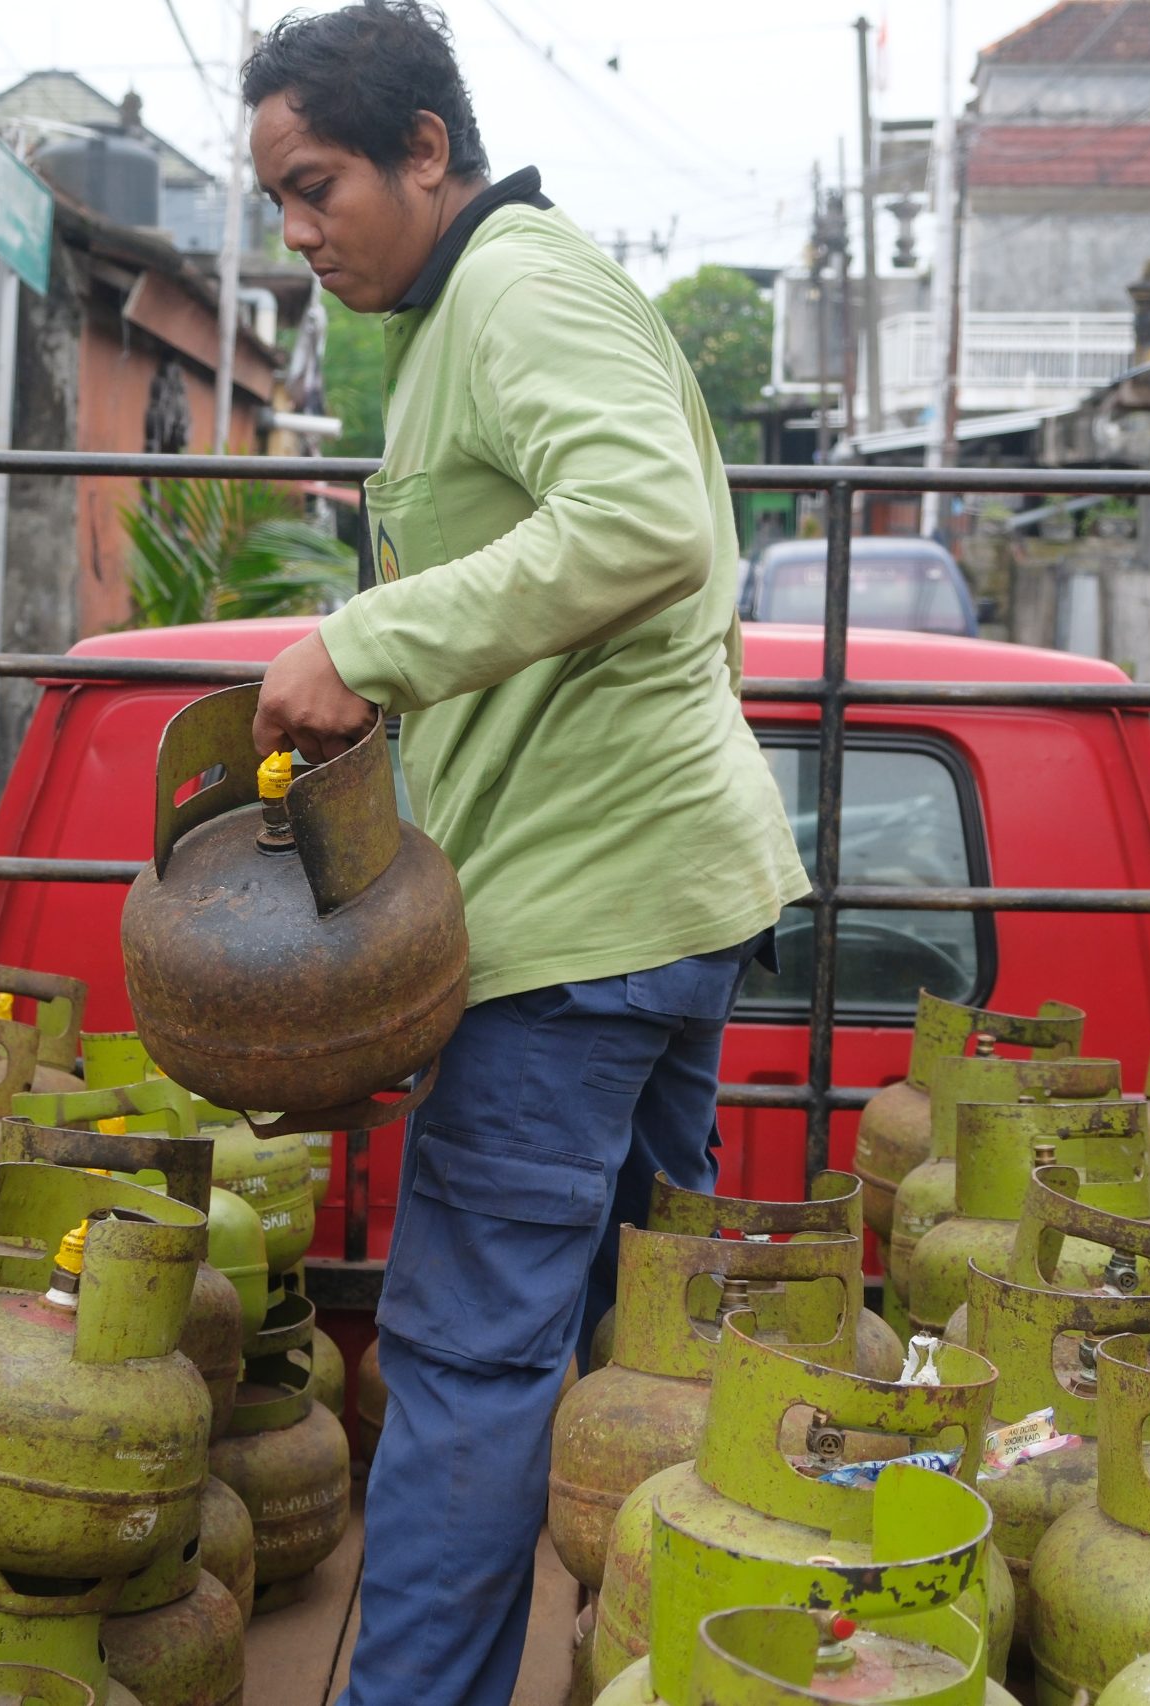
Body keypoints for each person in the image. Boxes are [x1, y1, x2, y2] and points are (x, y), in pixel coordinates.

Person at [240, 6, 809, 1702]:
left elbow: (641, 520)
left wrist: (365, 642)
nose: (298, 232)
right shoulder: (468, 313)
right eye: (278, 200)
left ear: (427, 150)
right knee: (638, 1346)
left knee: (470, 1362)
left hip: (581, 934)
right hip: (648, 899)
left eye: (318, 184)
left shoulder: (517, 290)